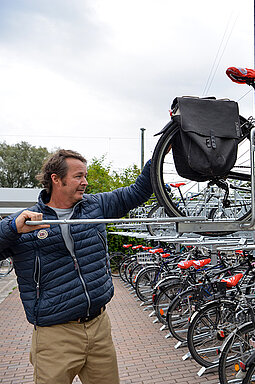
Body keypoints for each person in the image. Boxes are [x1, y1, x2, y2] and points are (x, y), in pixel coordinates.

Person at [0, 149, 153, 384]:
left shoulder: (95, 206)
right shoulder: (26, 221)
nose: (85, 182)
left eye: (85, 176)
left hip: (99, 326)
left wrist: (161, 153)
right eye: (78, 176)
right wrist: (11, 229)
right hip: (54, 335)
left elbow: (138, 191)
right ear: (56, 179)